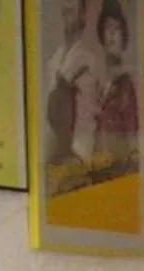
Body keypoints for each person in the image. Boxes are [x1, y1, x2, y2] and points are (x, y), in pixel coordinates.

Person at [44, 0, 105, 167]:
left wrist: (80, 155)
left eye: (72, 8)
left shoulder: (87, 59)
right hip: (56, 148)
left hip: (77, 155)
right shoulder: (55, 59)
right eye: (65, 9)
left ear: (82, 14)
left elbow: (88, 115)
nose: (67, 12)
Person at [95, 0, 141, 160]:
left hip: (118, 166)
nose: (112, 33)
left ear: (124, 37)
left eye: (117, 28)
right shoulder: (98, 82)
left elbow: (132, 132)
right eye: (108, 27)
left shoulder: (126, 84)